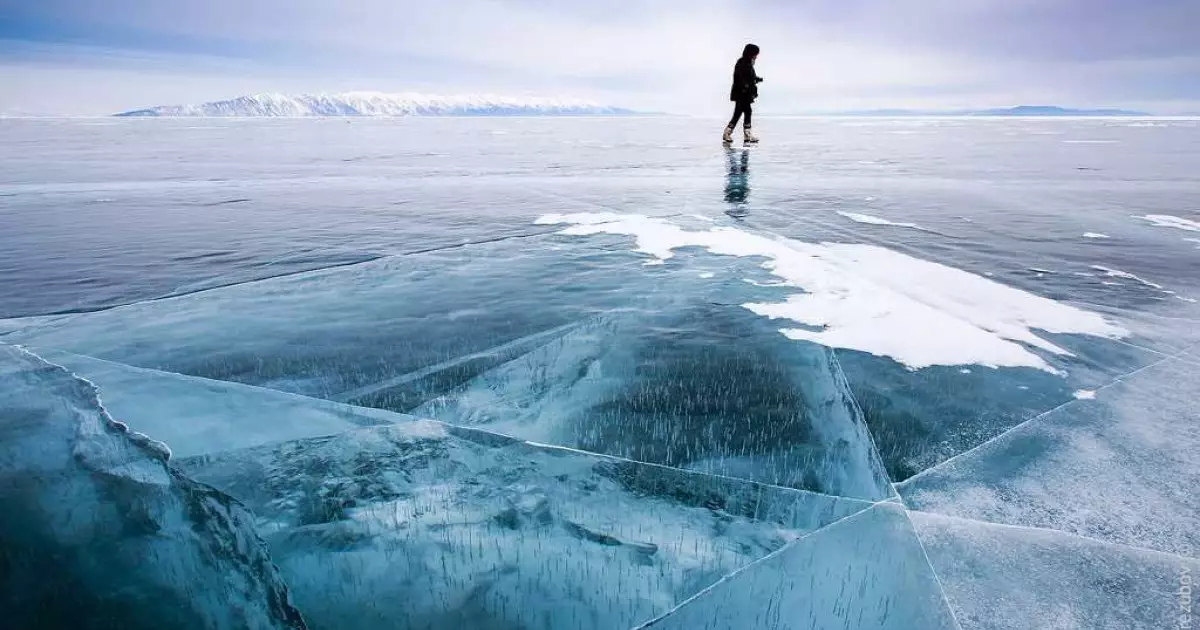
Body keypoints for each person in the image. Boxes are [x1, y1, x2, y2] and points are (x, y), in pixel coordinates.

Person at [724, 43, 763, 144]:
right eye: (755, 54)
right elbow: (738, 76)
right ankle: (732, 133)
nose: (756, 56)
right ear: (750, 53)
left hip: (745, 93)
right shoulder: (742, 62)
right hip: (741, 93)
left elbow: (749, 77)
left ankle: (743, 135)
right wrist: (745, 86)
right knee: (744, 112)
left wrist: (756, 79)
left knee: (742, 112)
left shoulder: (749, 63)